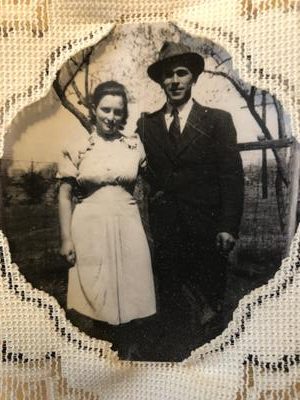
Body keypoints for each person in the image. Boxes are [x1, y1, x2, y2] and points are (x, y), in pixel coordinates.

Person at [136, 41, 244, 348]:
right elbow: (138, 169)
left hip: (207, 231)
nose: (174, 81)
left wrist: (227, 226)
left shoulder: (218, 121)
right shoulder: (146, 124)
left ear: (193, 78)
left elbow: (232, 177)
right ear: (160, 82)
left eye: (181, 73)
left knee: (210, 307)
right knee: (173, 306)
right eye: (167, 75)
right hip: (167, 232)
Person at [58, 80, 156, 326]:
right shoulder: (79, 146)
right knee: (97, 296)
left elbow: (157, 182)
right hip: (90, 228)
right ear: (94, 109)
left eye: (118, 111)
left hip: (128, 225)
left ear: (124, 114)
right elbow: (64, 195)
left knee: (132, 290)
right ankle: (103, 348)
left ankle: (129, 351)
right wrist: (66, 238)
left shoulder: (134, 145)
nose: (111, 117)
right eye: (106, 109)